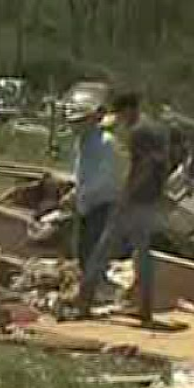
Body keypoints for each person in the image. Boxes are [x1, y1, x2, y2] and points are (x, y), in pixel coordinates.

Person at [75, 91, 170, 326]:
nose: (119, 119)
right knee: (142, 254)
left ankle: (83, 304)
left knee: (102, 249)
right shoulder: (156, 130)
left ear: (128, 110)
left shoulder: (139, 132)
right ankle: (145, 308)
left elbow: (142, 168)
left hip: (133, 200)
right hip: (150, 199)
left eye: (120, 113)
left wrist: (126, 195)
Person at [69, 99, 118, 270]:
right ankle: (85, 281)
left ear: (90, 120)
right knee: (82, 247)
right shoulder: (82, 142)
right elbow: (80, 170)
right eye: (72, 123)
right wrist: (74, 191)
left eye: (78, 122)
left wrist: (83, 193)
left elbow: (104, 177)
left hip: (101, 201)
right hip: (85, 201)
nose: (74, 127)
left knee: (95, 245)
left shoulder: (106, 142)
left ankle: (96, 283)